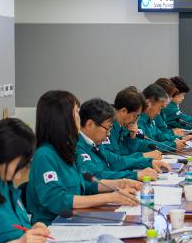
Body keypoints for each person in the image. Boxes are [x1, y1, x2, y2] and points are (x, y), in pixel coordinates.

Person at [25, 90, 141, 225]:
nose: (79, 117)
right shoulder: (44, 155)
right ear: (61, 118)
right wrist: (110, 197)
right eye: (76, 111)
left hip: (76, 218)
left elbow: (86, 184)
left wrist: (120, 184)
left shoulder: (67, 149)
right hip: (52, 227)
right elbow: (57, 201)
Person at [76, 98, 160, 186]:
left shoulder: (95, 144)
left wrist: (148, 162)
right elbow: (96, 177)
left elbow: (117, 161)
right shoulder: (77, 148)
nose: (108, 134)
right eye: (107, 128)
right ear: (89, 125)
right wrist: (135, 175)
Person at [103, 87, 166, 168]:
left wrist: (132, 138)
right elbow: (114, 163)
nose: (135, 120)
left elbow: (127, 154)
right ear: (123, 111)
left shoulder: (121, 127)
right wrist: (143, 156)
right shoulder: (107, 129)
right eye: (135, 116)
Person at [138, 83, 188, 150]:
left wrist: (181, 138)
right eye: (160, 107)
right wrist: (173, 145)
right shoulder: (139, 120)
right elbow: (145, 146)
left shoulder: (149, 118)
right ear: (148, 103)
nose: (159, 112)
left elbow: (159, 136)